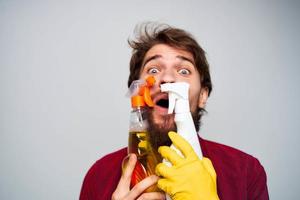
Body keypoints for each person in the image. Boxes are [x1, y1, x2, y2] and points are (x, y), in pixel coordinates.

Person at [79, 23, 269, 200]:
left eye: (184, 71)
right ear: (136, 91)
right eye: (153, 70)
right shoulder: (99, 174)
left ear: (203, 95)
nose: (168, 78)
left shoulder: (246, 172)